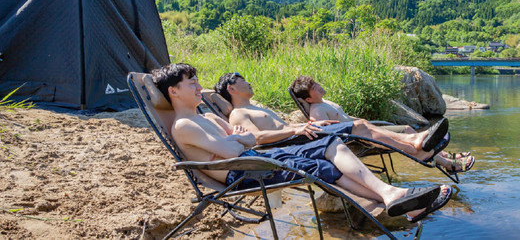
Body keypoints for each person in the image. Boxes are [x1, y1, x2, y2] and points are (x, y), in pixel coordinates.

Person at [152, 63, 451, 222]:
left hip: (255, 158)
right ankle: (397, 199)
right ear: (174, 92)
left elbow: (245, 139)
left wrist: (241, 140)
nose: (199, 87)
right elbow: (234, 148)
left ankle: (394, 198)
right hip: (246, 172)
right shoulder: (185, 125)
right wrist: (240, 140)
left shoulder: (208, 119)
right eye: (192, 83)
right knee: (322, 165)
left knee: (331, 145)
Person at [216, 73, 449, 163]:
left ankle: (414, 144)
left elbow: (285, 127)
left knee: (361, 124)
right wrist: (295, 130)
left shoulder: (257, 108)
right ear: (231, 88)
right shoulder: (239, 113)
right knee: (358, 126)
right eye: (242, 80)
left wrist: (306, 125)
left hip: (302, 135)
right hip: (291, 145)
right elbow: (256, 138)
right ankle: (414, 147)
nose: (249, 81)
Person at [290, 75, 475, 173]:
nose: (319, 86)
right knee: (411, 141)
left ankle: (439, 153)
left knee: (407, 128)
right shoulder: (317, 111)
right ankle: (447, 163)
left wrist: (367, 123)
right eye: (314, 88)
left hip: (366, 128)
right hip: (359, 139)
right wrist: (316, 123)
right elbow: (318, 127)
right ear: (308, 98)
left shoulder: (325, 102)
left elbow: (346, 118)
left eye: (316, 83)